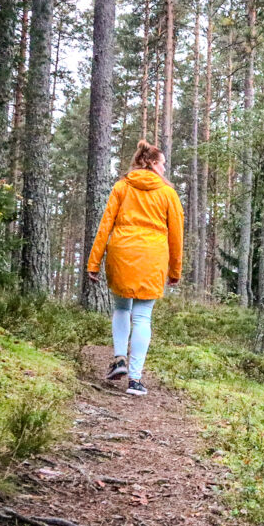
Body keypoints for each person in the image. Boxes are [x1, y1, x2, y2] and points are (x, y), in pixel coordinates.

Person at [87, 140, 184, 396]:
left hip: (122, 252)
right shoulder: (168, 194)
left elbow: (105, 225)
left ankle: (119, 358)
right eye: (162, 163)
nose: (164, 168)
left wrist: (94, 262)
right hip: (152, 257)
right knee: (142, 316)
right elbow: (176, 235)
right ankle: (136, 380)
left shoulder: (121, 187)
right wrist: (175, 269)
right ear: (152, 163)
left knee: (121, 307)